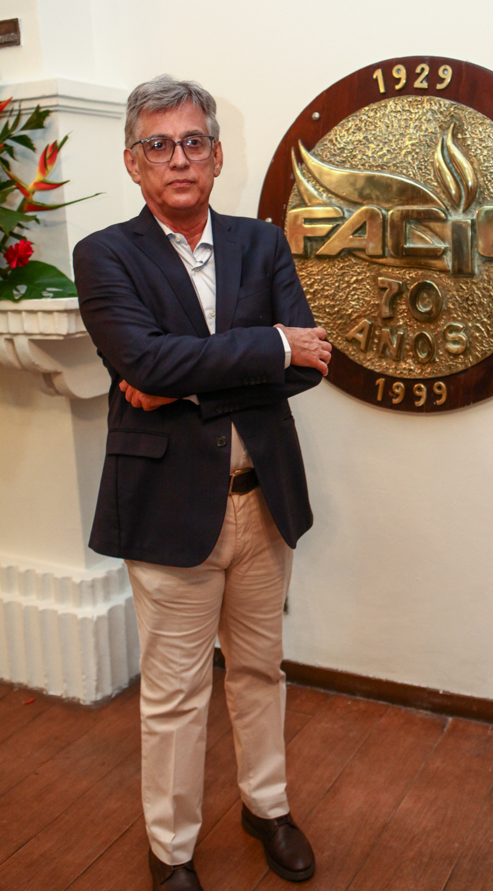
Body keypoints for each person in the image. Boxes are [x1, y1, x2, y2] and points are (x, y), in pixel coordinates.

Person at [73, 75, 331, 891]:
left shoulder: (262, 243)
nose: (177, 158)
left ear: (216, 156)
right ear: (133, 162)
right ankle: (172, 851)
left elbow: (310, 365)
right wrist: (269, 346)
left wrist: (180, 381)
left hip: (263, 502)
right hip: (169, 509)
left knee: (260, 672)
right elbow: (144, 361)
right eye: (158, 145)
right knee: (175, 693)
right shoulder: (105, 254)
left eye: (192, 142)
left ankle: (267, 808)